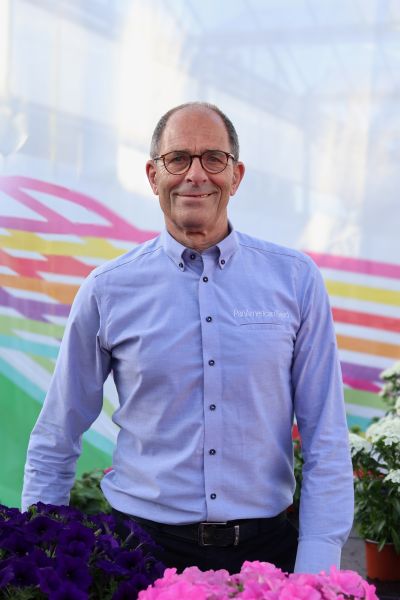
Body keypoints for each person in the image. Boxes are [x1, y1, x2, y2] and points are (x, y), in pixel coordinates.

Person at [22, 102, 354, 575]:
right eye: (177, 158)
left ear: (236, 176)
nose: (195, 175)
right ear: (153, 175)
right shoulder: (108, 289)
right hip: (139, 556)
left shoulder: (296, 280)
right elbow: (57, 434)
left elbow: (326, 435)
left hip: (266, 556)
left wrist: (317, 565)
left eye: (213, 158)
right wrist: (40, 555)